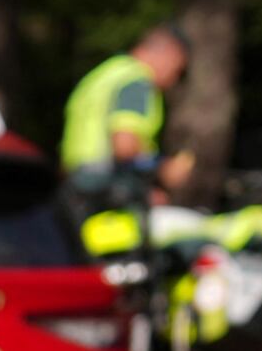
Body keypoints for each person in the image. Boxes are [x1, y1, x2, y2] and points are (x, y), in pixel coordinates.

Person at [57, 19, 188, 216]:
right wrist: (162, 168)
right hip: (106, 189)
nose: (173, 80)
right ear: (169, 54)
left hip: (76, 186)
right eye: (177, 70)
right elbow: (124, 146)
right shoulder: (136, 81)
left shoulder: (105, 74)